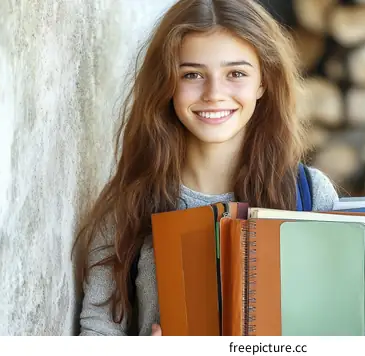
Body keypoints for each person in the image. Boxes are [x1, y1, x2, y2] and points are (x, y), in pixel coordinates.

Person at [74, 0, 339, 336]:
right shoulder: (129, 203)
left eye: (236, 74)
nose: (214, 93)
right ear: (167, 83)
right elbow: (98, 329)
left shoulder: (310, 195)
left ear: (263, 82)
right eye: (193, 74)